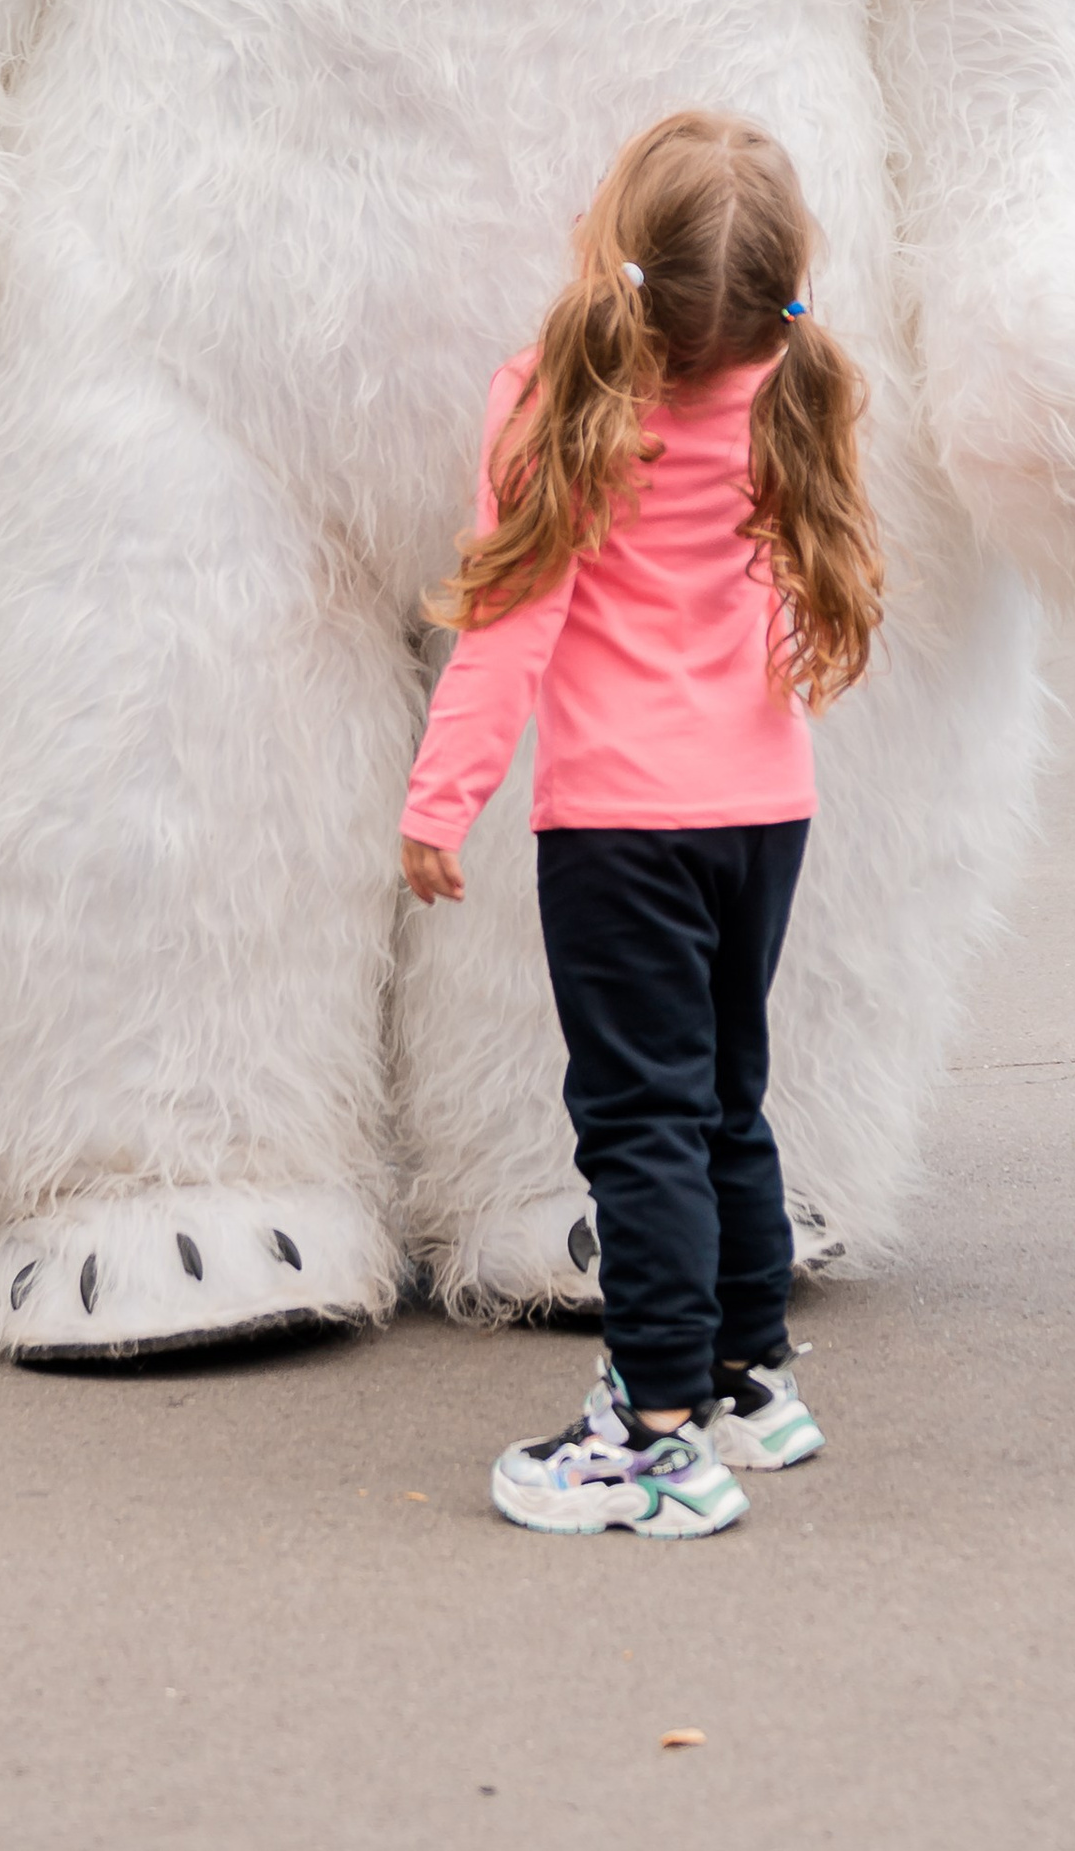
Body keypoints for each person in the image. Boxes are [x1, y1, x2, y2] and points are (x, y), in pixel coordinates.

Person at [400, 108, 884, 1538]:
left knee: (641, 1127)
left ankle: (654, 1439)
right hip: (763, 812)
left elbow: (504, 628)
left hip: (621, 829)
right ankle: (749, 1376)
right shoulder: (793, 384)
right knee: (728, 1093)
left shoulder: (552, 401)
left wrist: (440, 802)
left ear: (616, 250)